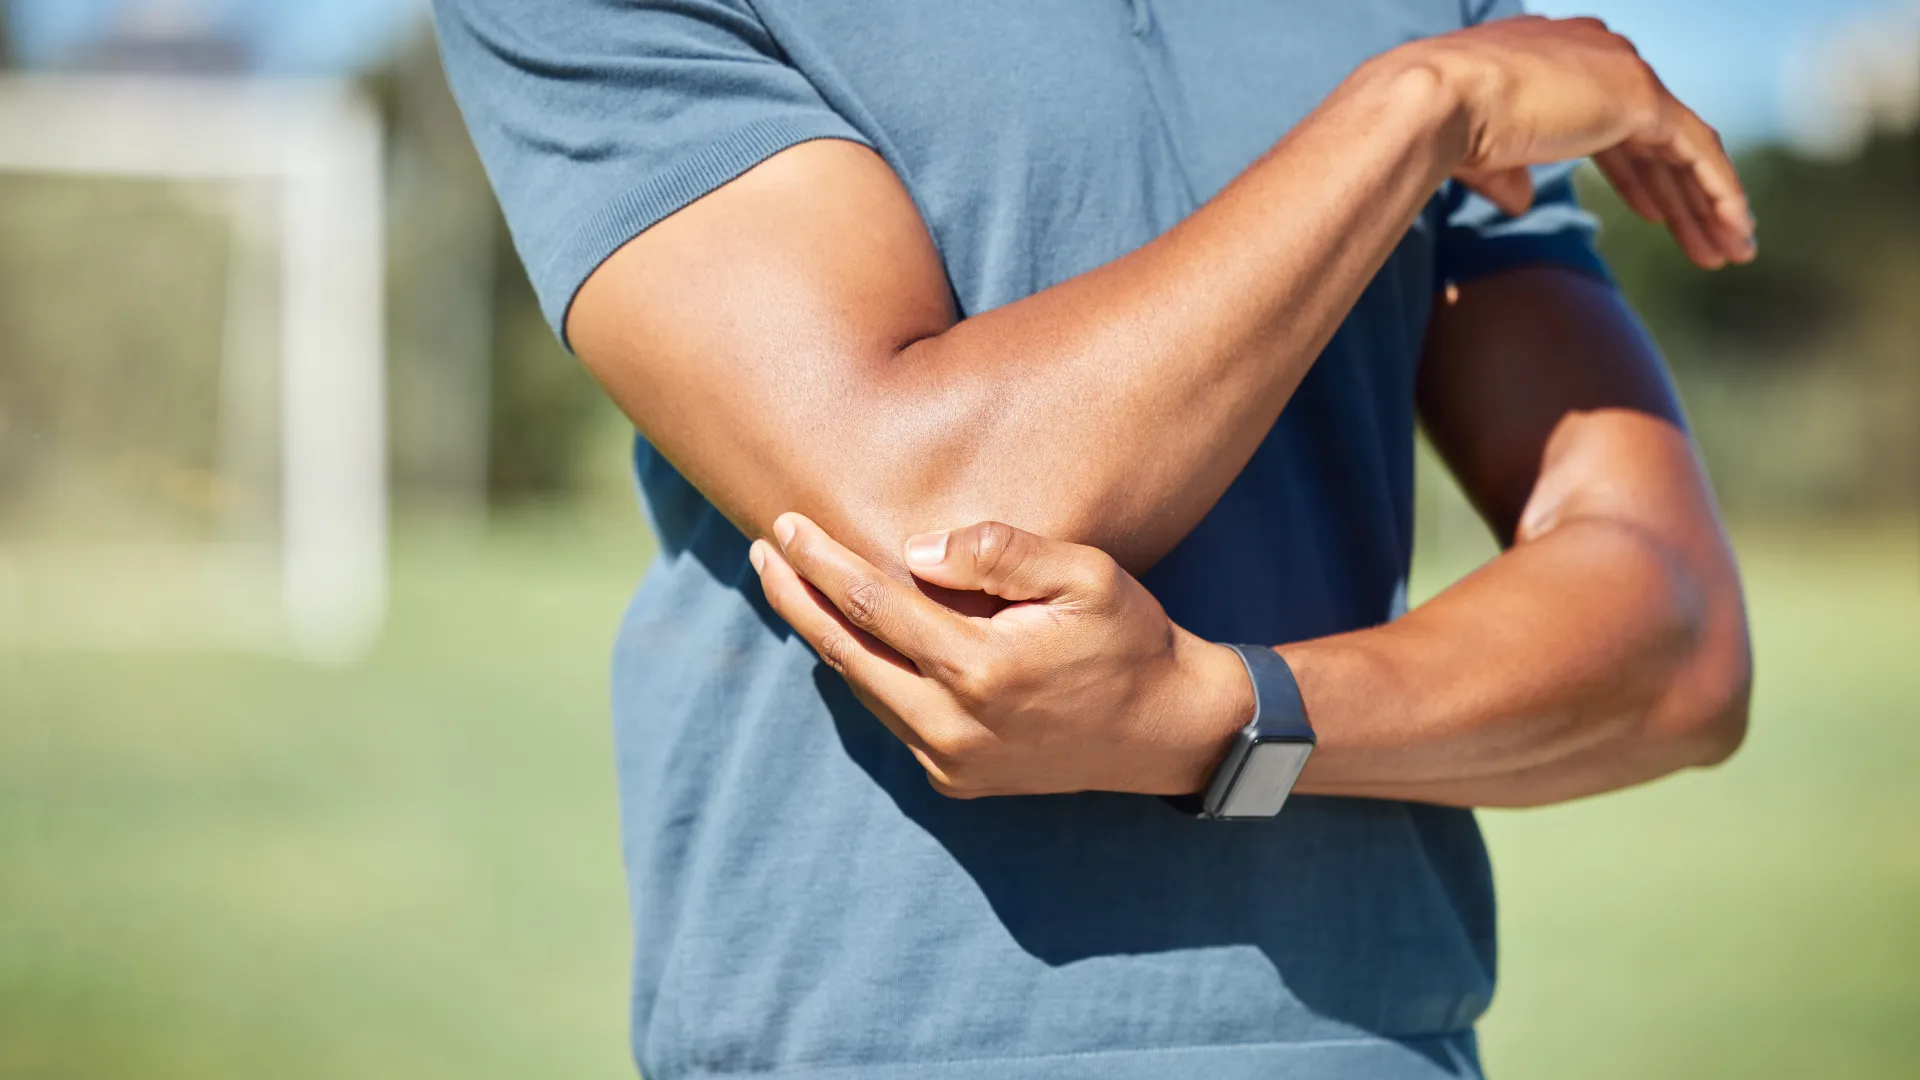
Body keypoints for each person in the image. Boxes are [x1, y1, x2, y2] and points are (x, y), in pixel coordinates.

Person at [434, 2, 1754, 1077]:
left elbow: (1676, 643)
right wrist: (1411, 112)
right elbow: (937, 513)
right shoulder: (1448, 76)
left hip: (1371, 1042)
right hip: (859, 1044)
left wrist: (1223, 720)